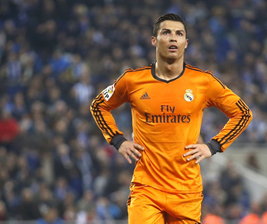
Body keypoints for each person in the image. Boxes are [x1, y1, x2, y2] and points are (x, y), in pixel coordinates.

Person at [91, 13, 252, 223]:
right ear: (154, 40)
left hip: (186, 190)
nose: (173, 38)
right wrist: (117, 140)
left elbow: (243, 113)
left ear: (186, 43)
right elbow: (98, 105)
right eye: (166, 32)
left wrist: (213, 146)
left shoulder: (203, 82)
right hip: (146, 188)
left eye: (179, 34)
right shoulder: (132, 80)